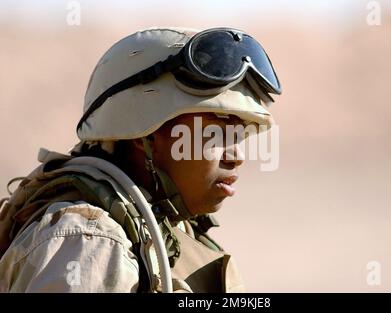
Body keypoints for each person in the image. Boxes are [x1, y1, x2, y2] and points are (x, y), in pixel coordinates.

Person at [0, 27, 281, 292]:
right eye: (215, 133)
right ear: (142, 134)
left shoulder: (167, 229)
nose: (237, 156)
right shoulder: (88, 241)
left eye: (238, 135)